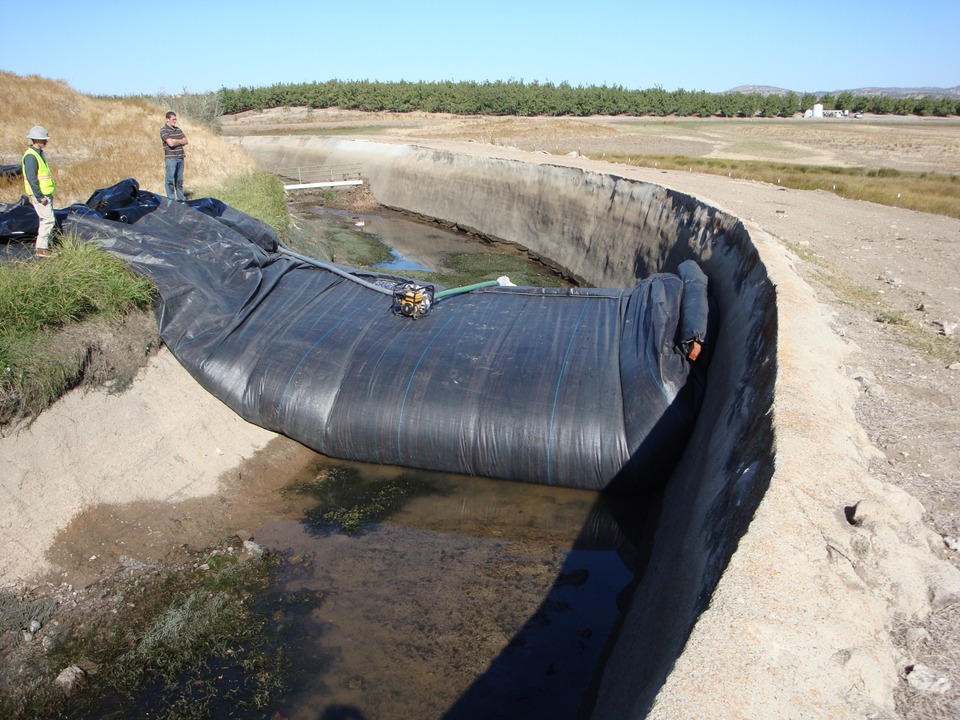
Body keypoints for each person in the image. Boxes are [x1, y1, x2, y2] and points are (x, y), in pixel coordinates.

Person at [21, 125, 56, 257]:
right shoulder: (31, 156)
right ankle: (41, 249)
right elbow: (31, 178)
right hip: (40, 195)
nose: (46, 142)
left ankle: (48, 246)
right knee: (48, 220)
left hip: (46, 193)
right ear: (36, 140)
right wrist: (40, 196)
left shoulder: (38, 154)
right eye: (44, 140)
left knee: (47, 219)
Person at [160, 111, 189, 201]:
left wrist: (175, 140)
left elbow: (186, 141)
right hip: (171, 158)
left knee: (179, 180)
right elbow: (170, 143)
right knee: (170, 180)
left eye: (175, 119)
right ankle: (171, 199)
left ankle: (181, 199)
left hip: (180, 157)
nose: (175, 121)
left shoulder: (178, 129)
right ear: (167, 119)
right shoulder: (164, 130)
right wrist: (179, 141)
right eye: (173, 119)